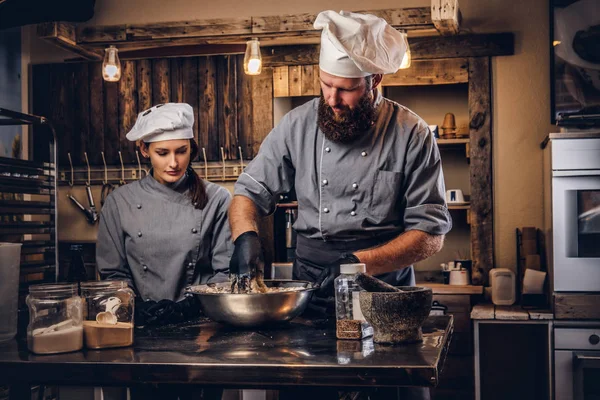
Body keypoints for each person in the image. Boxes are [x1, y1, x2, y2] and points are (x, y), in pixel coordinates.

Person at [229, 10, 452, 400]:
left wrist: (357, 263)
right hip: (311, 296)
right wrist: (245, 236)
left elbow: (429, 236)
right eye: (325, 85)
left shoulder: (411, 134)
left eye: (346, 90)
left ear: (375, 81)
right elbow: (248, 192)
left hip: (383, 295)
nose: (332, 99)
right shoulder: (297, 126)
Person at [97, 102, 233, 327]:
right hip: (139, 325)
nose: (174, 163)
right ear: (144, 149)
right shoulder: (119, 202)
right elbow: (112, 275)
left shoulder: (217, 199)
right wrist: (135, 306)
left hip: (202, 325)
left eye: (182, 151)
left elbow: (226, 272)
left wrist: (192, 305)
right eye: (162, 153)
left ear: (191, 148)